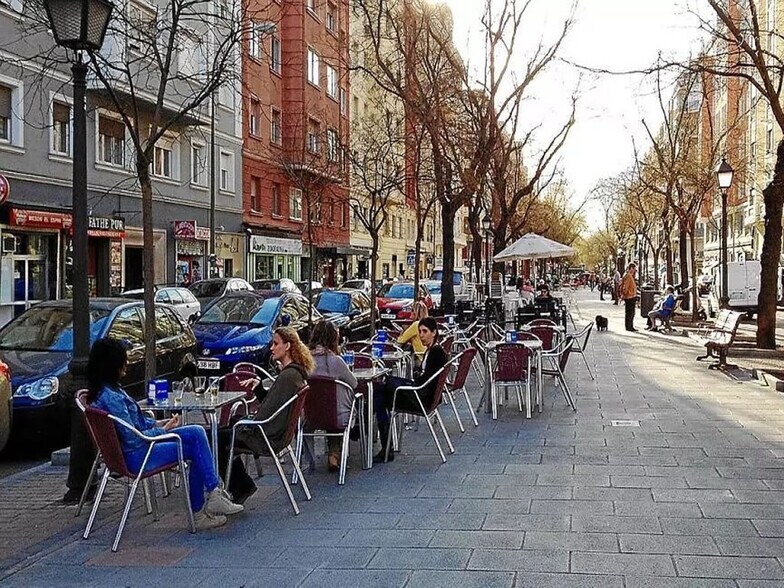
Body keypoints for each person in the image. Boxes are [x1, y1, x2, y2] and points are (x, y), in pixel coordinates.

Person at [86, 338, 242, 529]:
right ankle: (202, 508)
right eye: (123, 360)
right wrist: (163, 430)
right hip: (138, 455)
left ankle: (214, 492)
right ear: (112, 365)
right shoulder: (112, 398)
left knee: (197, 431)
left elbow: (134, 425)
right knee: (196, 449)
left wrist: (159, 423)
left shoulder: (104, 391)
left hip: (133, 450)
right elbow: (133, 437)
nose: (126, 363)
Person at [219, 327, 314, 502]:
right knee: (222, 432)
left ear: (287, 346)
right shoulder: (294, 374)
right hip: (275, 434)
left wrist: (245, 422)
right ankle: (241, 486)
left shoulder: (288, 377)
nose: (271, 348)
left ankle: (240, 487)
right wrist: (260, 389)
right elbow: (274, 407)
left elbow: (266, 416)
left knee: (215, 438)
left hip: (266, 437)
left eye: (275, 344)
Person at [374, 317, 448, 463]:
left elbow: (426, 380)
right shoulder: (432, 350)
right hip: (422, 394)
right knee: (381, 393)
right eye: (420, 331)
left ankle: (379, 442)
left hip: (421, 398)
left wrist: (412, 380)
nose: (421, 335)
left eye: (425, 331)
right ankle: (381, 442)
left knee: (380, 394)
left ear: (434, 332)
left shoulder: (436, 352)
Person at [308, 320, 358, 472]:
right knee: (336, 403)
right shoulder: (336, 362)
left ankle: (315, 458)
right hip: (337, 416)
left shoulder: (305, 361)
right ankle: (334, 455)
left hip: (309, 417)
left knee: (328, 403)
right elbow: (354, 383)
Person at [619, 263, 639, 332]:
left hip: (630, 296)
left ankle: (629, 326)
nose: (635, 270)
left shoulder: (629, 275)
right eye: (634, 268)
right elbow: (625, 286)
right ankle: (629, 326)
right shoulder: (628, 276)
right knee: (630, 313)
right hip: (630, 297)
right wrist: (625, 294)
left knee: (630, 312)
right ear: (631, 268)